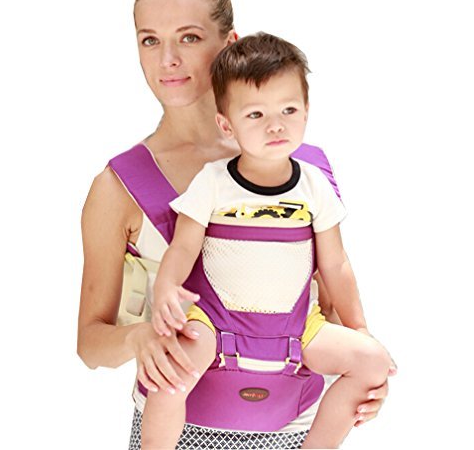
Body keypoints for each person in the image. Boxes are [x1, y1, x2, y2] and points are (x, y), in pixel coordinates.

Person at [77, 0, 396, 449]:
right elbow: (89, 344)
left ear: (228, 44)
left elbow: (331, 302)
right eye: (150, 40)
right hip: (180, 432)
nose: (168, 60)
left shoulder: (306, 168)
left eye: (188, 37)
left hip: (297, 429)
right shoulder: (118, 185)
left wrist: (367, 370)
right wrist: (137, 338)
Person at [142, 32, 392, 449]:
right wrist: (167, 287)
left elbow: (335, 265)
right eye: (255, 114)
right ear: (227, 124)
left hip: (298, 328)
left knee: (374, 362)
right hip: (215, 323)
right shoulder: (213, 182)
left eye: (289, 109)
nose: (276, 125)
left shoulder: (314, 186)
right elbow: (183, 247)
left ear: (307, 111)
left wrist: (359, 329)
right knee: (168, 373)